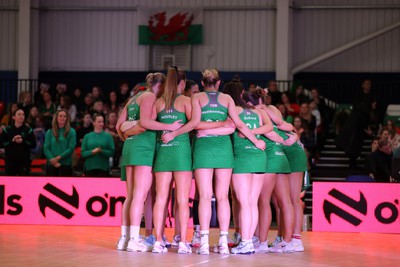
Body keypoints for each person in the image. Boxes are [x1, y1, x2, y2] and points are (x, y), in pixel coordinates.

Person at [184, 69, 265, 255]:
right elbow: (239, 124)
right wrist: (256, 140)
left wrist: (206, 129)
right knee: (222, 197)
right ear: (219, 83)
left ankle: (204, 242)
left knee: (204, 196)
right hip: (223, 150)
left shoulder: (197, 98)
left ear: (203, 83)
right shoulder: (227, 99)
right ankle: (222, 240)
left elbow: (196, 125)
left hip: (203, 147)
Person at [116, 72, 182, 252]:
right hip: (143, 148)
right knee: (140, 196)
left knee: (130, 196)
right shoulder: (150, 96)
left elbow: (118, 126)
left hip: (129, 148)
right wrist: (169, 126)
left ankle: (125, 238)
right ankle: (134, 240)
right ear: (159, 86)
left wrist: (128, 130)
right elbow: (146, 122)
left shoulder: (133, 97)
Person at [221, 81, 272, 254]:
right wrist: (256, 136)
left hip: (242, 157)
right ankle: (249, 242)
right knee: (252, 202)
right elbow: (270, 127)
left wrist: (250, 136)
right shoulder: (256, 111)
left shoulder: (232, 111)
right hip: (259, 156)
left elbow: (238, 127)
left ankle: (246, 241)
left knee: (244, 203)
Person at [150, 67, 193, 254]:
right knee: (182, 199)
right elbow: (195, 123)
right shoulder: (185, 100)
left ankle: (158, 241)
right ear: (182, 84)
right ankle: (183, 242)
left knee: (160, 198)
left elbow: (148, 123)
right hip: (181, 152)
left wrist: (166, 129)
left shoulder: (159, 102)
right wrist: (175, 131)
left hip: (163, 152)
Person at [0, 108, 36, 175]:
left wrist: (23, 141)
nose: (21, 116)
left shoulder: (28, 130)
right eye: (19, 114)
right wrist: (12, 141)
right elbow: (1, 144)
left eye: (23, 114)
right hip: (10, 161)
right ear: (14, 117)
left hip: (24, 161)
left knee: (24, 183)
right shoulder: (7, 130)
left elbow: (33, 145)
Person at [43, 109, 76, 177]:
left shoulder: (72, 132)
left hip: (65, 165)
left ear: (67, 118)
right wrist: (52, 160)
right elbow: (46, 148)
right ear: (56, 117)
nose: (63, 118)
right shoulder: (49, 132)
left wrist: (57, 158)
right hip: (51, 165)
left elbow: (71, 148)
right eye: (60, 116)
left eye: (65, 116)